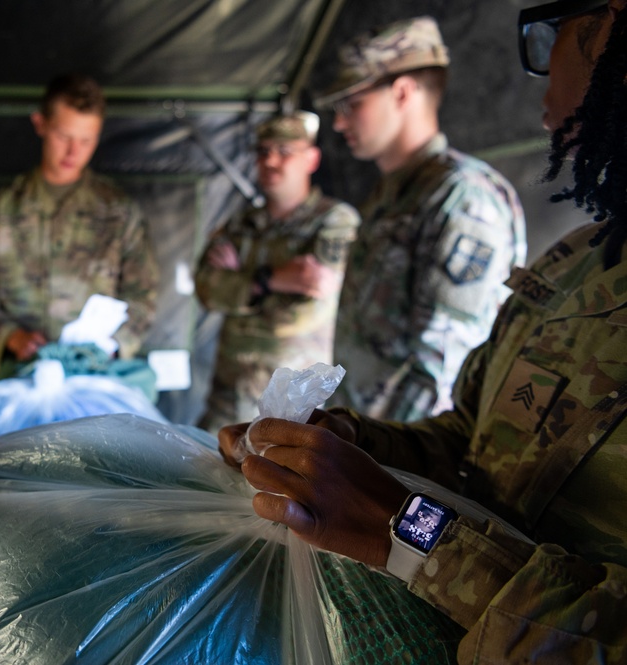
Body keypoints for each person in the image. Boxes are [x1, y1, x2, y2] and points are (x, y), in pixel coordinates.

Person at [220, 0, 627, 660]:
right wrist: (349, 444)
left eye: (562, 33)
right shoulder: (582, 260)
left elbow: (427, 374)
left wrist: (400, 523)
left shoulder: (460, 199)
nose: (544, 75)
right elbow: (471, 441)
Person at [314, 16, 527, 421]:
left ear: (403, 92)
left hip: (404, 456)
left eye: (351, 105)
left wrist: (384, 465)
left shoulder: (462, 197)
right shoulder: (390, 194)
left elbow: (441, 369)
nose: (339, 123)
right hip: (366, 437)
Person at [0, 74, 160, 384]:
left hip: (94, 379)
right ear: (40, 124)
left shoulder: (118, 213)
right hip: (18, 377)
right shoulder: (2, 210)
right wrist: (9, 336)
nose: (74, 151)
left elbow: (143, 295)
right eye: (64, 136)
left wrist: (111, 346)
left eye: (86, 140)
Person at [194, 113, 360, 432]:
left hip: (296, 404)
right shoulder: (240, 224)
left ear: (311, 159)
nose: (270, 160)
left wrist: (239, 284)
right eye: (263, 151)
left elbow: (303, 314)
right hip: (229, 398)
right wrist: (272, 279)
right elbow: (206, 289)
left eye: (284, 151)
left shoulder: (335, 222)